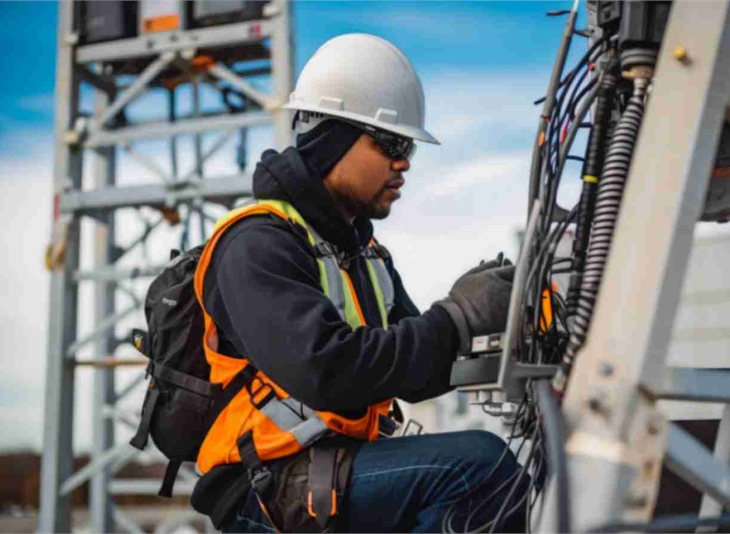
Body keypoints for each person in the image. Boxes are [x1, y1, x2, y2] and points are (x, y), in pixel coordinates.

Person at [190, 34, 527, 533]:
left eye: (408, 146)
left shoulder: (363, 255)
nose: (404, 162)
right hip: (265, 486)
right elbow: (325, 370)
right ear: (333, 140)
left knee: (509, 475)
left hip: (334, 468)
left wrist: (499, 323)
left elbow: (418, 369)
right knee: (481, 467)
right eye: (391, 143)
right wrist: (457, 316)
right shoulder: (257, 244)